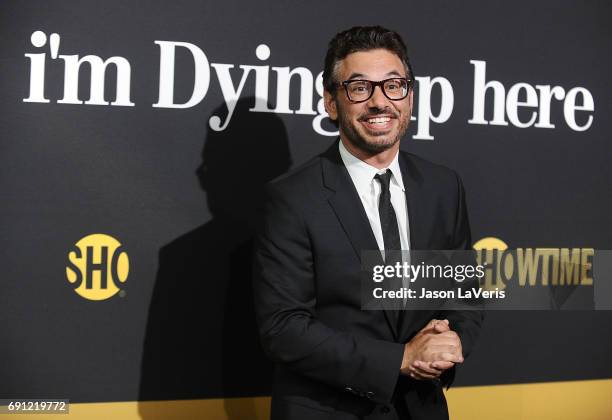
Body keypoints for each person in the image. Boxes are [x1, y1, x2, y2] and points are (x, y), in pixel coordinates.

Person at [253, 26, 483, 420]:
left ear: (409, 97)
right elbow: (283, 327)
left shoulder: (444, 186)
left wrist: (452, 339)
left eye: (394, 85)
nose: (381, 102)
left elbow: (462, 289)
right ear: (331, 101)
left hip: (421, 409)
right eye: (360, 88)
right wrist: (399, 359)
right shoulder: (292, 197)